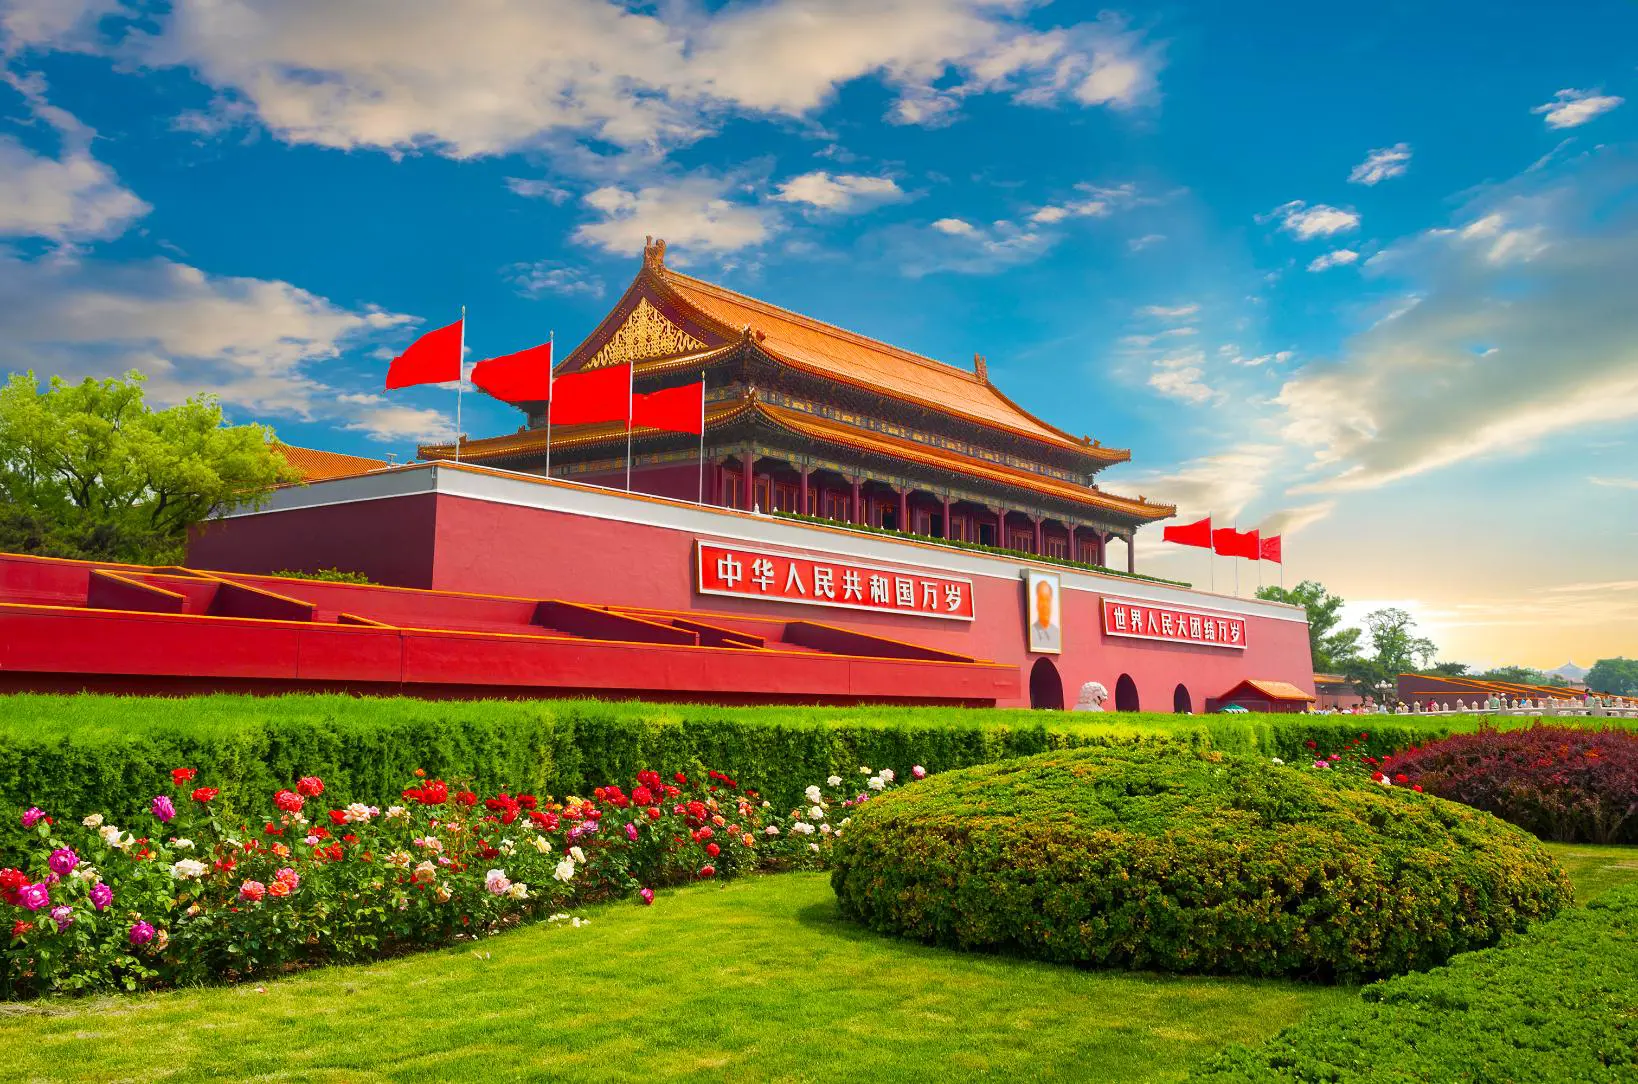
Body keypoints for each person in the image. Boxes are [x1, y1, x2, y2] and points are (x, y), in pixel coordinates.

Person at [1029, 577, 1060, 653]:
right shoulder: (1032, 632)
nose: (1045, 605)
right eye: (1042, 599)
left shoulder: (1057, 633)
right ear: (1037, 603)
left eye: (1047, 600)